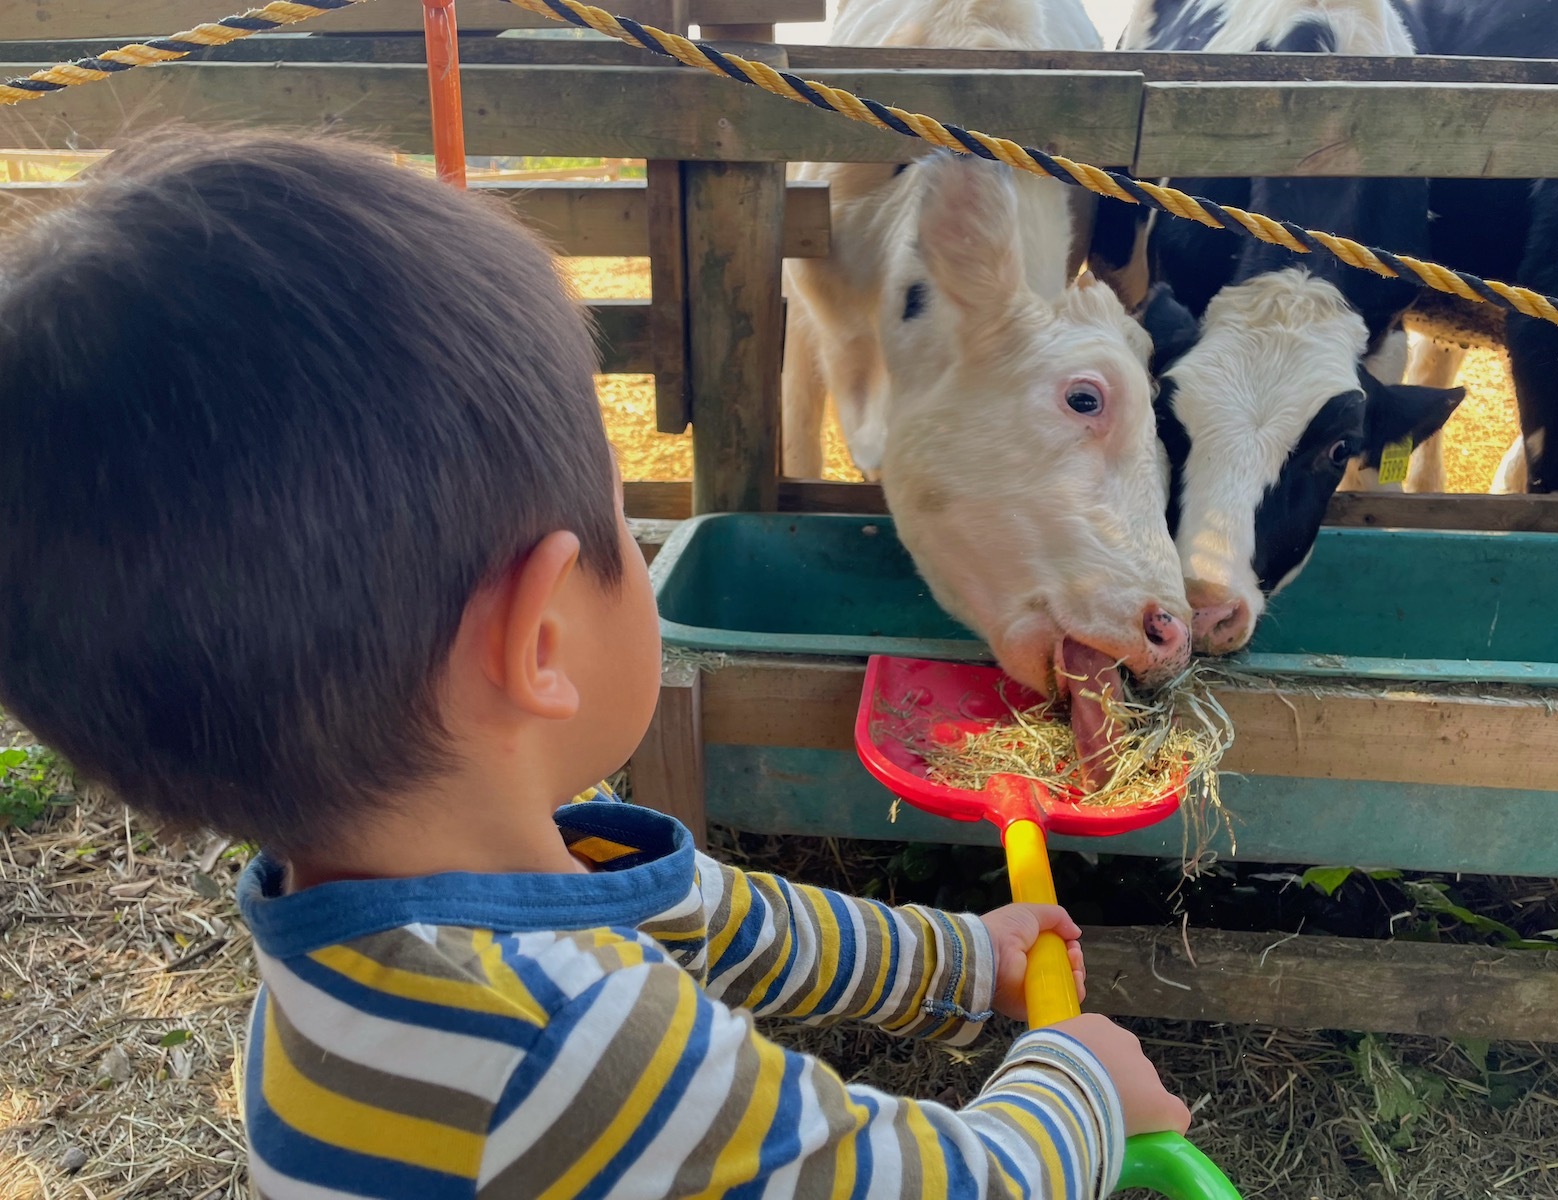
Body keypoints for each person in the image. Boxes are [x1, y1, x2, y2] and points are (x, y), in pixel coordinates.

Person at [0, 128, 1189, 1198]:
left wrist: (954, 958)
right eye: (627, 530)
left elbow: (713, 917)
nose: (639, 551)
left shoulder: (369, 918)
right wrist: (1074, 1093)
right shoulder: (570, 1049)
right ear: (538, 642)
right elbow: (918, 1183)